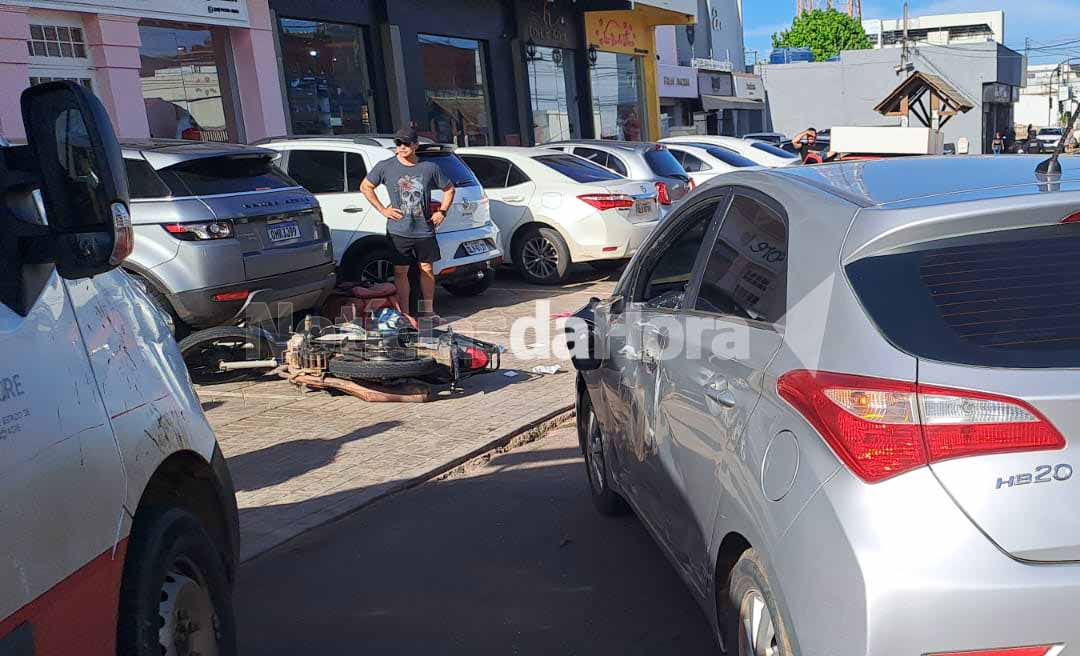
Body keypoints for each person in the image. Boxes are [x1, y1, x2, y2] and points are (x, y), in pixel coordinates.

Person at [360, 127, 454, 321]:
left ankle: (428, 312)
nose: (402, 147)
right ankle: (405, 314)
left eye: (406, 143)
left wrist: (442, 212)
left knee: (426, 269)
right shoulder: (385, 166)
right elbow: (366, 186)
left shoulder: (429, 168)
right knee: (400, 271)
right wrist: (382, 209)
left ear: (415, 145)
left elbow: (449, 189)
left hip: (424, 229)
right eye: (398, 143)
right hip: (398, 230)